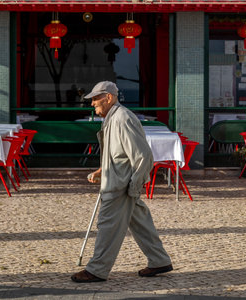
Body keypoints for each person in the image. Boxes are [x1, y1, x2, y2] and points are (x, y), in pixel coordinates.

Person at [71, 81, 173, 283]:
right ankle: (159, 260)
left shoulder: (122, 118)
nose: (92, 104)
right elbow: (118, 153)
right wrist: (103, 170)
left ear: (108, 97)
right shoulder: (112, 117)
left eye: (95, 99)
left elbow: (143, 156)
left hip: (120, 186)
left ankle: (97, 270)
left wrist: (134, 186)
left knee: (107, 225)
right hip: (118, 181)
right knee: (140, 222)